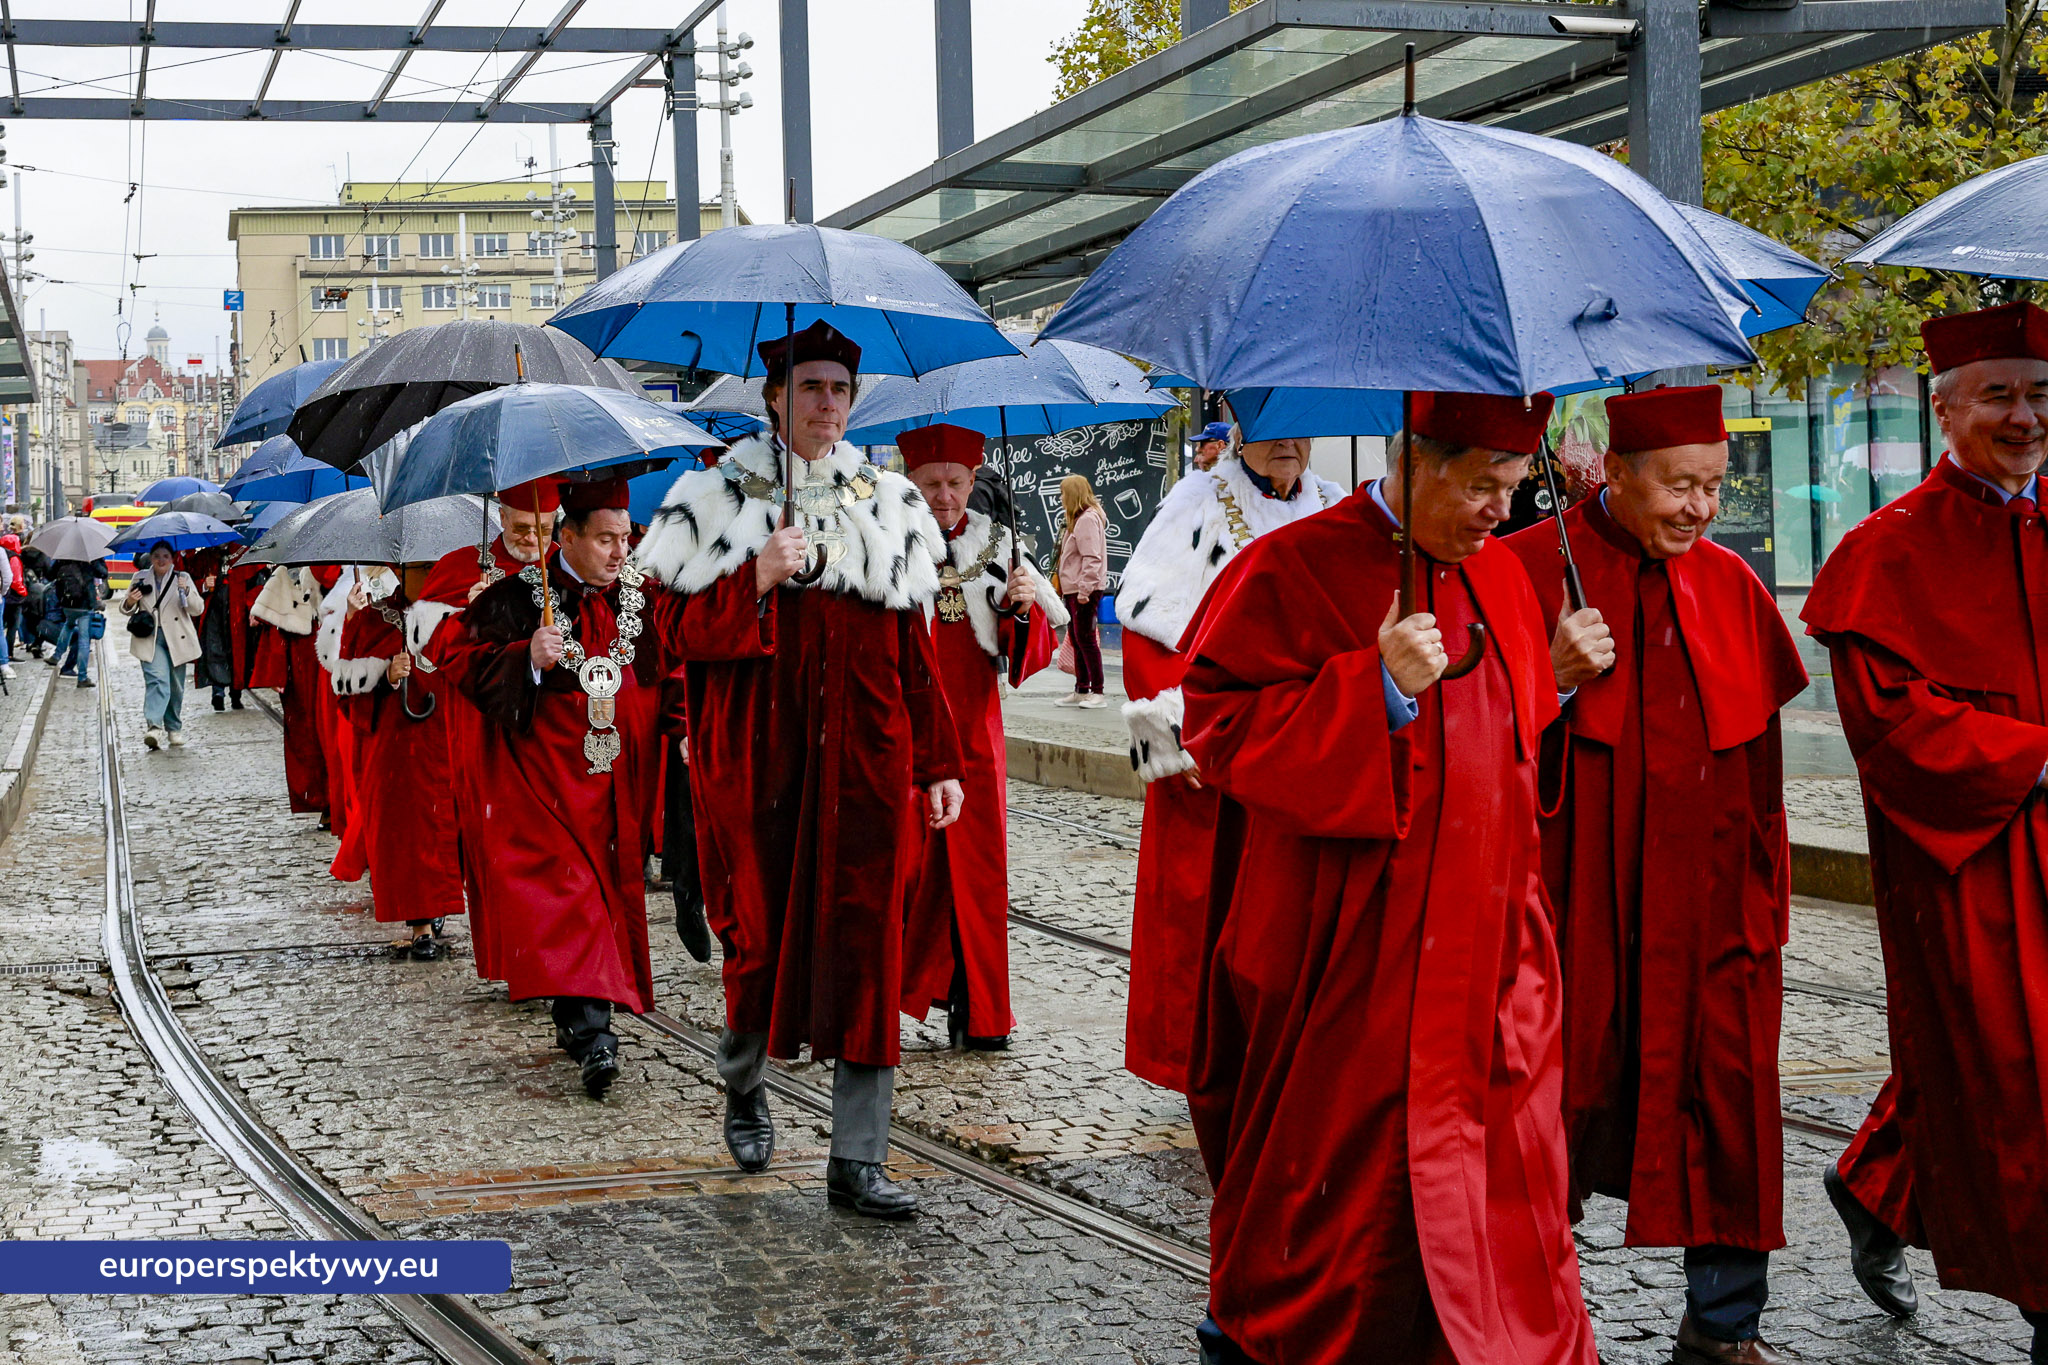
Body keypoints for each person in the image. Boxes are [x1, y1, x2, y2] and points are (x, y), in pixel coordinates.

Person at [1176, 391, 1600, 1365]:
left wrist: (1559, 680)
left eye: (1511, 486)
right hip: (1353, 958)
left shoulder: (1497, 577)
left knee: (1496, 1202)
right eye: (1480, 487)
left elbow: (1506, 746)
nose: (1500, 512)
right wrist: (1367, 690)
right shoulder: (1291, 564)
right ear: (1413, 459)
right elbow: (1218, 726)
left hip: (1491, 956)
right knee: (1343, 1200)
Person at [1505, 385, 1810, 1364]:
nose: (1699, 509)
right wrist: (1543, 676)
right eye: (1678, 486)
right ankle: (1524, 1316)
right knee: (1547, 1105)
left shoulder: (1731, 587)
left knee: (1725, 1104)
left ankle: (1722, 1330)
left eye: (1714, 488)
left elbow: (1761, 782)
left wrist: (1762, 909)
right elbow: (1455, 747)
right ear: (1614, 474)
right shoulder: (1515, 571)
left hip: (1712, 913)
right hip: (1569, 906)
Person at [637, 319, 965, 1220]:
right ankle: (742, 1077)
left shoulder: (889, 501)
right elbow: (659, 642)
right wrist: (754, 583)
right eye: (811, 388)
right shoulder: (711, 496)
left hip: (869, 756)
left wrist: (938, 759)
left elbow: (914, 647)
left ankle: (856, 1158)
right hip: (758, 759)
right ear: (773, 395)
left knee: (870, 940)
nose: (828, 405)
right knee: (760, 931)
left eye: (841, 390)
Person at [1801, 300, 2048, 1363]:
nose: (2022, 416)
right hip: (1977, 862)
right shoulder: (1884, 553)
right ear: (1940, 408)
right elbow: (1889, 726)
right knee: (2015, 1072)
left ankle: (1870, 1184)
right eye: (1995, 394)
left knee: (1989, 1067)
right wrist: (2033, 757)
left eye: (2038, 394)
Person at [1115, 433, 1345, 1093]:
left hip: (1301, 753)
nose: (1290, 446)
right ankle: (1205, 1063)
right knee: (1207, 921)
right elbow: (1147, 637)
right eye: (1275, 431)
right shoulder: (1197, 501)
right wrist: (1184, 734)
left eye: (1301, 433)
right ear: (1244, 428)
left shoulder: (1333, 504)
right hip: (1213, 763)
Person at [445, 475, 681, 1100]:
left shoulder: (645, 597)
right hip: (545, 784)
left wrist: (682, 730)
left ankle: (583, 1017)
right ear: (567, 537)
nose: (618, 553)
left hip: (621, 782)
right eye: (604, 539)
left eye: (625, 539)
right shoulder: (512, 600)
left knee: (605, 896)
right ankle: (593, 1033)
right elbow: (461, 665)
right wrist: (526, 654)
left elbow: (674, 672)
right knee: (569, 895)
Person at [899, 423, 1066, 1050]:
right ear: (910, 481)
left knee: (978, 873)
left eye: (956, 483)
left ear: (974, 481)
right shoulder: (883, 539)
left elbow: (1028, 656)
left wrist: (1020, 607)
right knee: (909, 872)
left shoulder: (999, 545)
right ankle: (893, 993)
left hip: (973, 733)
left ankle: (978, 1006)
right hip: (905, 731)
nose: (945, 495)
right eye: (931, 483)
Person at [411, 483, 557, 985]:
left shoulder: (566, 564)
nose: (534, 540)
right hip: (483, 729)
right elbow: (433, 653)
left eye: (544, 529)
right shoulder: (461, 566)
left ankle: (554, 964)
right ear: (501, 517)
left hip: (550, 729)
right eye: (522, 529)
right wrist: (471, 617)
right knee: (497, 846)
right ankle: (510, 958)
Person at [327, 561, 465, 961]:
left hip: (451, 737)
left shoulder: (457, 613)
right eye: (420, 568)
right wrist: (384, 673)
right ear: (402, 570)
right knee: (410, 832)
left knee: (453, 828)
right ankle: (420, 922)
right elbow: (345, 685)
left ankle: (441, 901)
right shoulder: (375, 618)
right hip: (398, 744)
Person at [249, 565, 328, 819]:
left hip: (333, 646)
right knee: (309, 729)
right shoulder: (290, 569)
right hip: (304, 653)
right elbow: (274, 624)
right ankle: (323, 798)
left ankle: (333, 798)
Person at [124, 541, 206, 750]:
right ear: (151, 558)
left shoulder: (182, 577)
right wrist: (131, 602)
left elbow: (197, 609)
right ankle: (154, 726)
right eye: (157, 556)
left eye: (166, 556)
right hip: (149, 637)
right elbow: (125, 609)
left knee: (176, 687)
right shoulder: (140, 577)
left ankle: (174, 728)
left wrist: (186, 591)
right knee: (158, 681)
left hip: (177, 638)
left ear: (172, 559)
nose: (161, 560)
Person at [1054, 474, 1109, 709]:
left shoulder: (1087, 519)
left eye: (1063, 493)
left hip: (1083, 589)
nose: (1061, 498)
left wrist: (1085, 589)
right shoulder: (1078, 519)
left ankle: (1097, 691)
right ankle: (1082, 688)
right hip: (1074, 588)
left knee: (1086, 639)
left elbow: (1092, 557)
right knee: (1077, 639)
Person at [48, 554, 108, 687]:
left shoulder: (64, 555)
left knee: (68, 625)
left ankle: (56, 656)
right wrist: (95, 561)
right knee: (84, 640)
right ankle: (82, 677)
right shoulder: (90, 555)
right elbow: (103, 573)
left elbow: (49, 575)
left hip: (66, 602)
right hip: (84, 603)